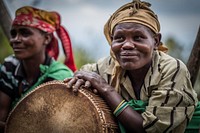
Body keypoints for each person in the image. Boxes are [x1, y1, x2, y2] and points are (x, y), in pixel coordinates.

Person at [65, 0, 199, 132]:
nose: (127, 45)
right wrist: (80, 80)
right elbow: (82, 74)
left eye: (138, 37)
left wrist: (107, 90)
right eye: (119, 38)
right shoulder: (106, 66)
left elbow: (148, 130)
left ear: (156, 41)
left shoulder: (171, 70)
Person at [0, 6, 76, 132]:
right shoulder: (10, 65)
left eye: (25, 33)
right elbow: (2, 115)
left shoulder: (60, 76)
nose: (15, 40)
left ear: (47, 38)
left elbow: (41, 126)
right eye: (13, 34)